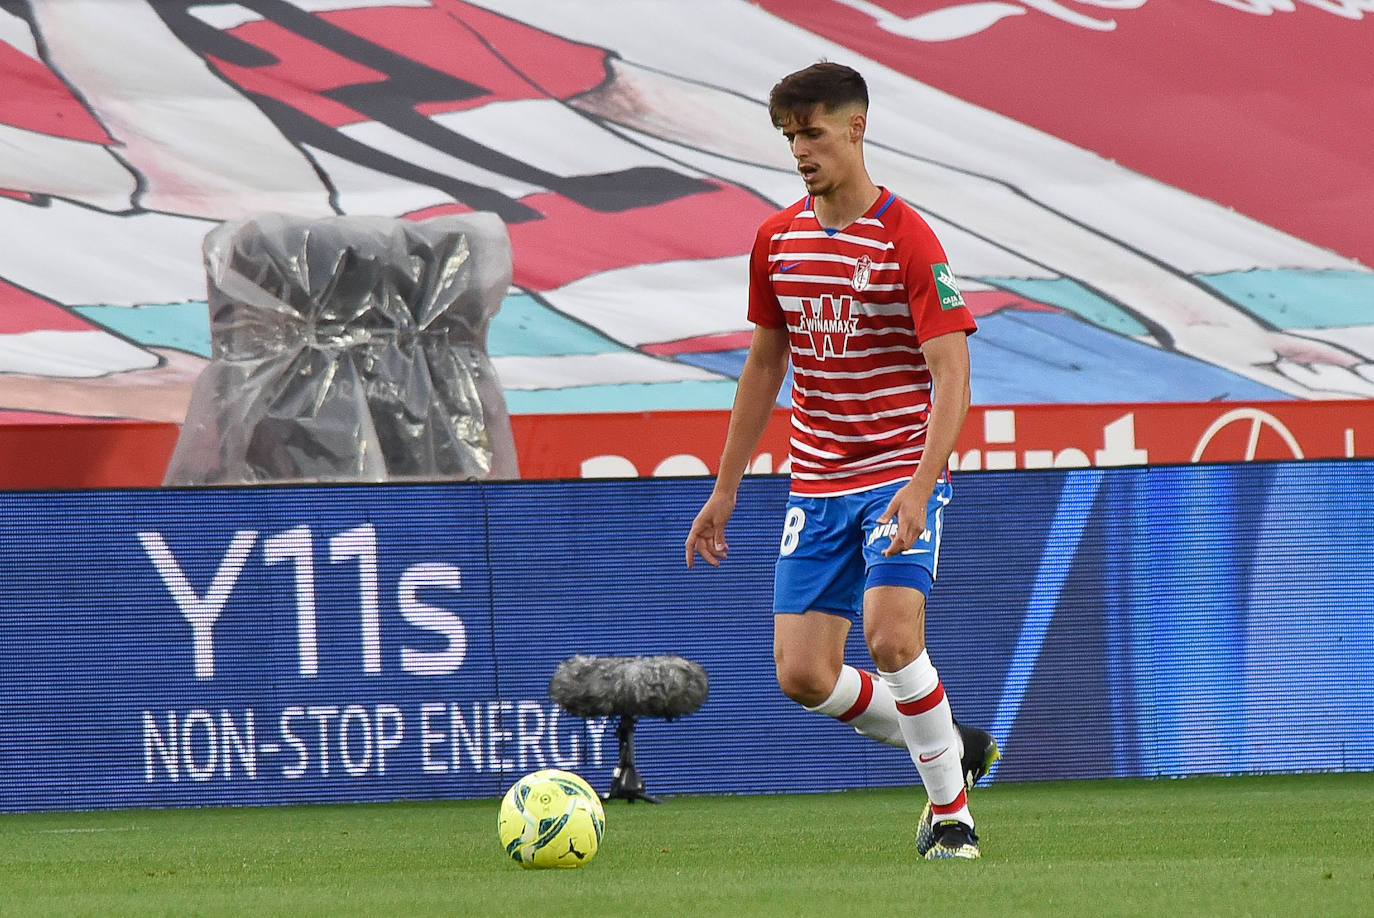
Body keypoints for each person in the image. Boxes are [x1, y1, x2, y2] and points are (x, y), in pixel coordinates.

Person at [685, 61, 998, 860]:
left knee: (892, 640)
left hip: (897, 471)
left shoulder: (908, 239)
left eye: (813, 133)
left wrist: (924, 486)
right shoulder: (777, 240)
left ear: (856, 130)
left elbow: (951, 373)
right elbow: (763, 366)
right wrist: (725, 490)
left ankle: (952, 818)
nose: (799, 150)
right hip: (817, 480)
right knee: (802, 675)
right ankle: (948, 740)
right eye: (789, 136)